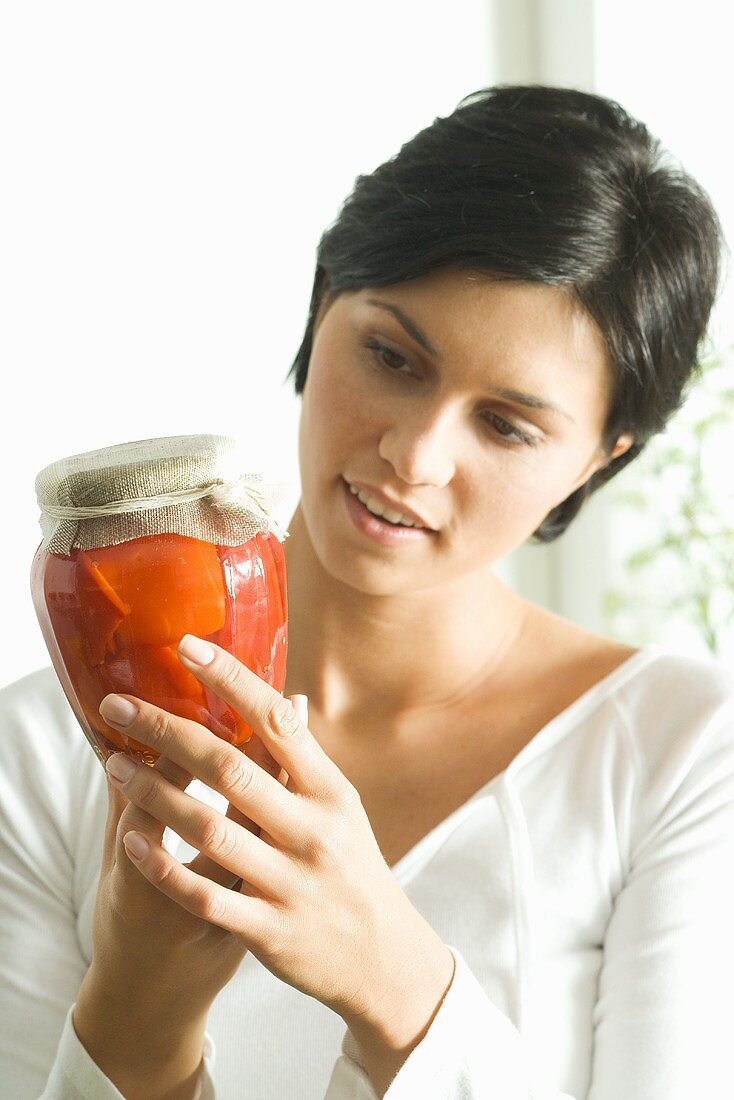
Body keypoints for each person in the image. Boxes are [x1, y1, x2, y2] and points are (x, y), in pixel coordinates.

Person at [2, 84, 733, 1100]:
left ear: (598, 462)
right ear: (320, 301)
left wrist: (397, 984)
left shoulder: (681, 752)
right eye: (391, 356)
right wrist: (138, 1015)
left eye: (508, 425)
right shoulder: (39, 752)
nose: (413, 454)